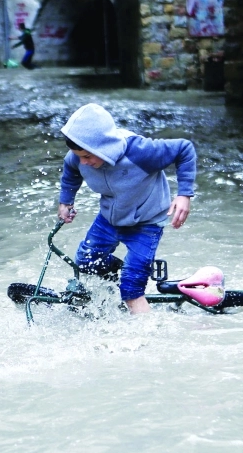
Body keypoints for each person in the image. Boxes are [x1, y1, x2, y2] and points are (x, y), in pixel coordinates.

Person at [57, 103, 196, 314]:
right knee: (86, 261)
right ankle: (120, 278)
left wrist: (184, 194)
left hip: (147, 222)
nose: (83, 163)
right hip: (109, 219)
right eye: (79, 157)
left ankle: (146, 336)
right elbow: (71, 171)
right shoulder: (78, 158)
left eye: (87, 156)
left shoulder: (140, 152)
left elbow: (184, 149)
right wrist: (66, 201)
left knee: (132, 290)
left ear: (102, 147)